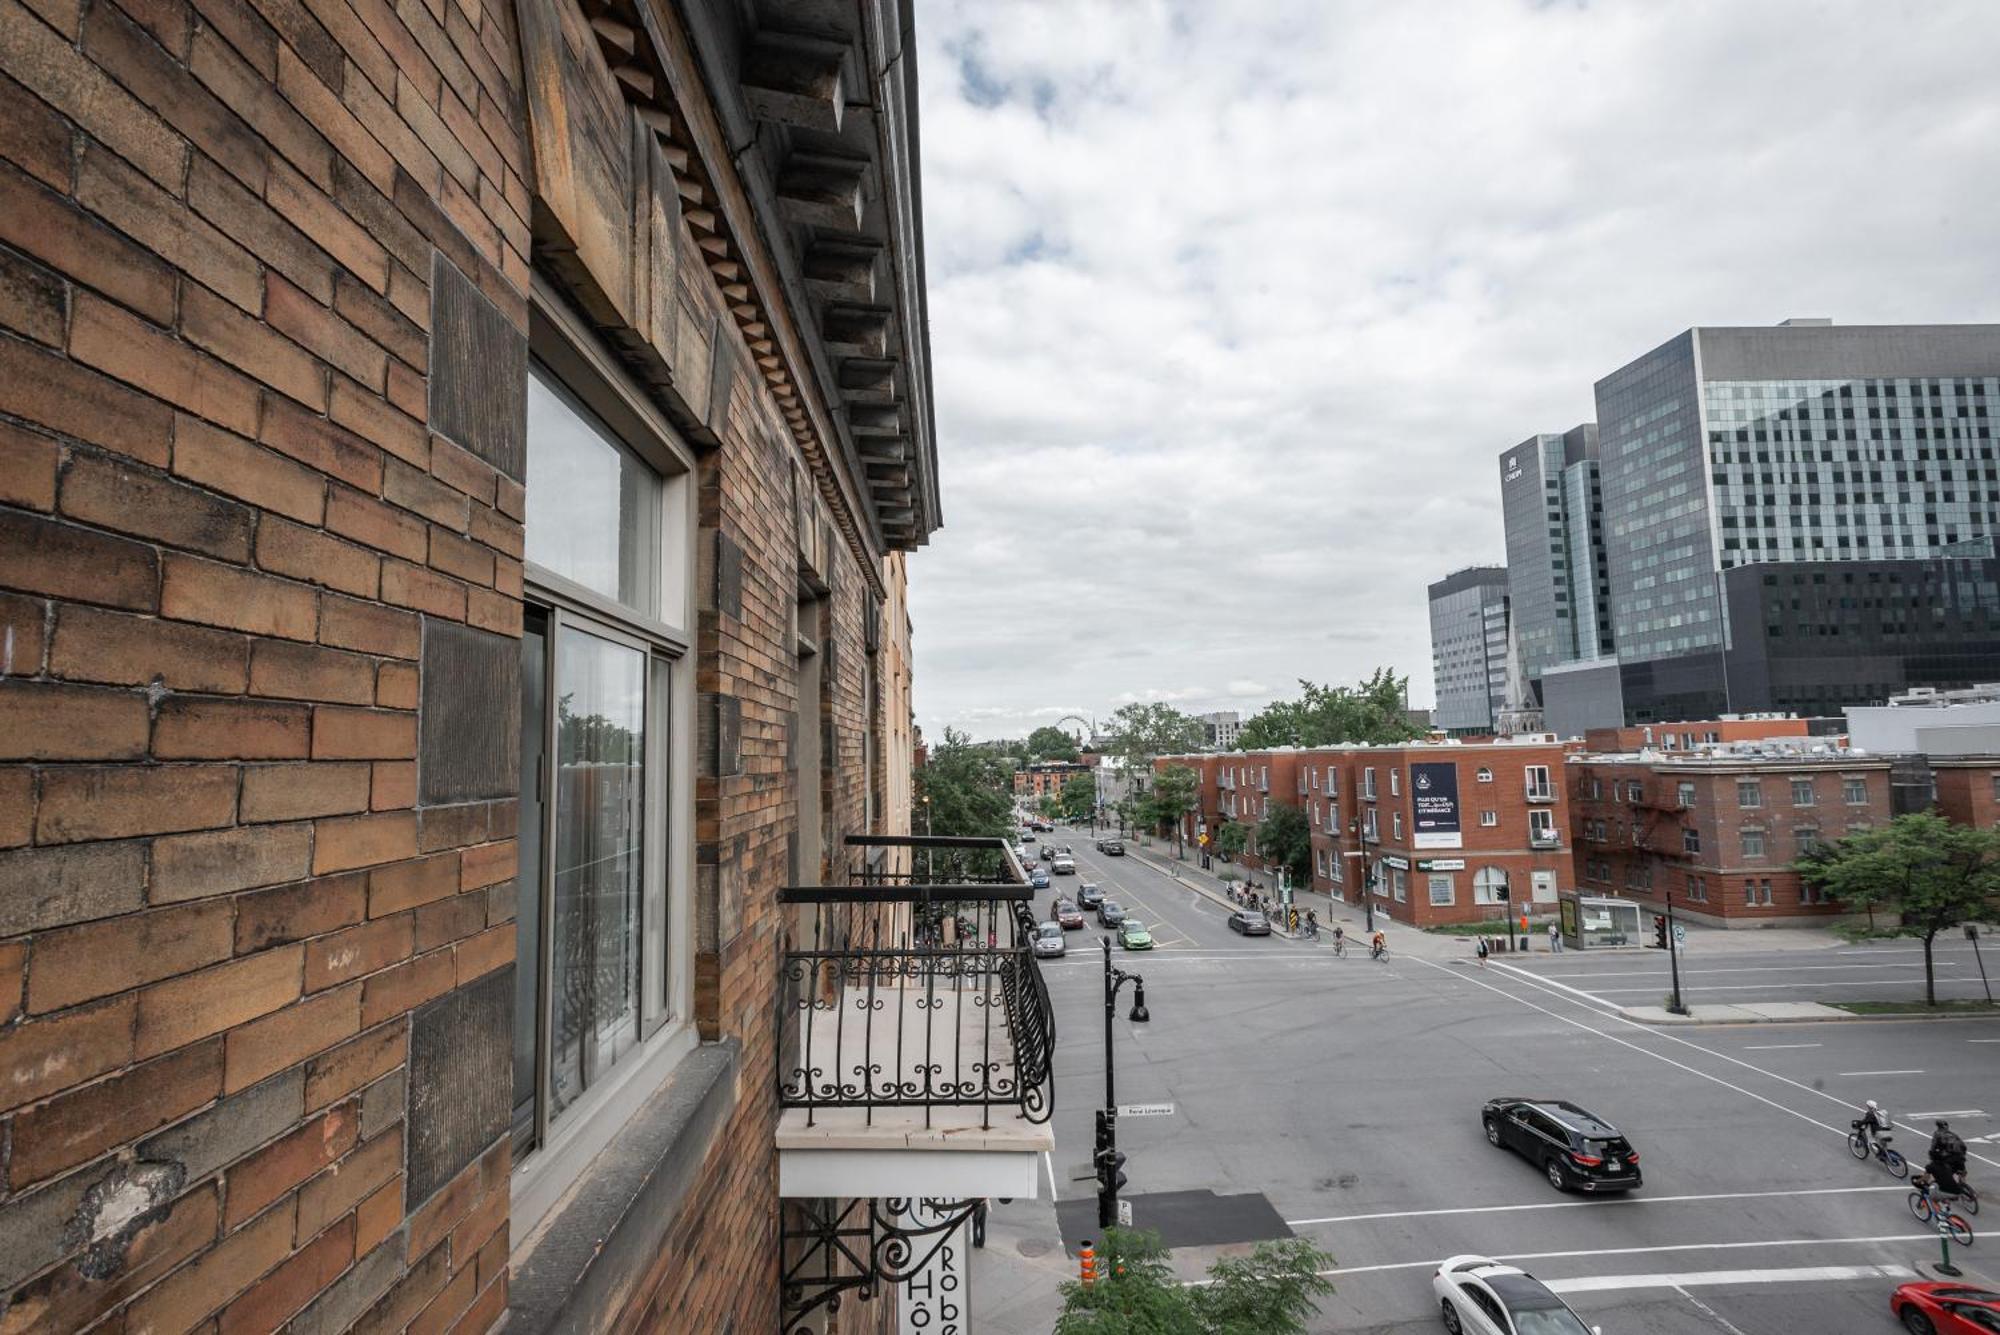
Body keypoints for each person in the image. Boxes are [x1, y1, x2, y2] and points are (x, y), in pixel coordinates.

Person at [1930, 1119, 1970, 1197]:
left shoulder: (1937, 1134)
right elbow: (1963, 1146)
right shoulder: (1953, 1134)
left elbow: (1933, 1148)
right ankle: (1963, 1185)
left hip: (1950, 1158)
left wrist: (1933, 1157)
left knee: (1945, 1174)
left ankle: (1951, 1190)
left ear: (1938, 1126)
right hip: (1960, 1156)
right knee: (1962, 1172)